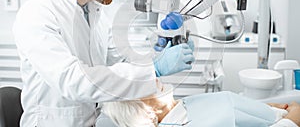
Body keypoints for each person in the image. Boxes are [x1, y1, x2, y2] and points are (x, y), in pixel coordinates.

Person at [12, 0, 195, 127]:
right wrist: (154, 69)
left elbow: (118, 63)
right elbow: (73, 81)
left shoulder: (96, 12)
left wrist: (154, 58)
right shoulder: (38, 12)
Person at [102, 84, 300, 127]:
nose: (152, 78)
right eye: (144, 87)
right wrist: (293, 119)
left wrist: (262, 107)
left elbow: (227, 103)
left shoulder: (182, 106)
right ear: (149, 112)